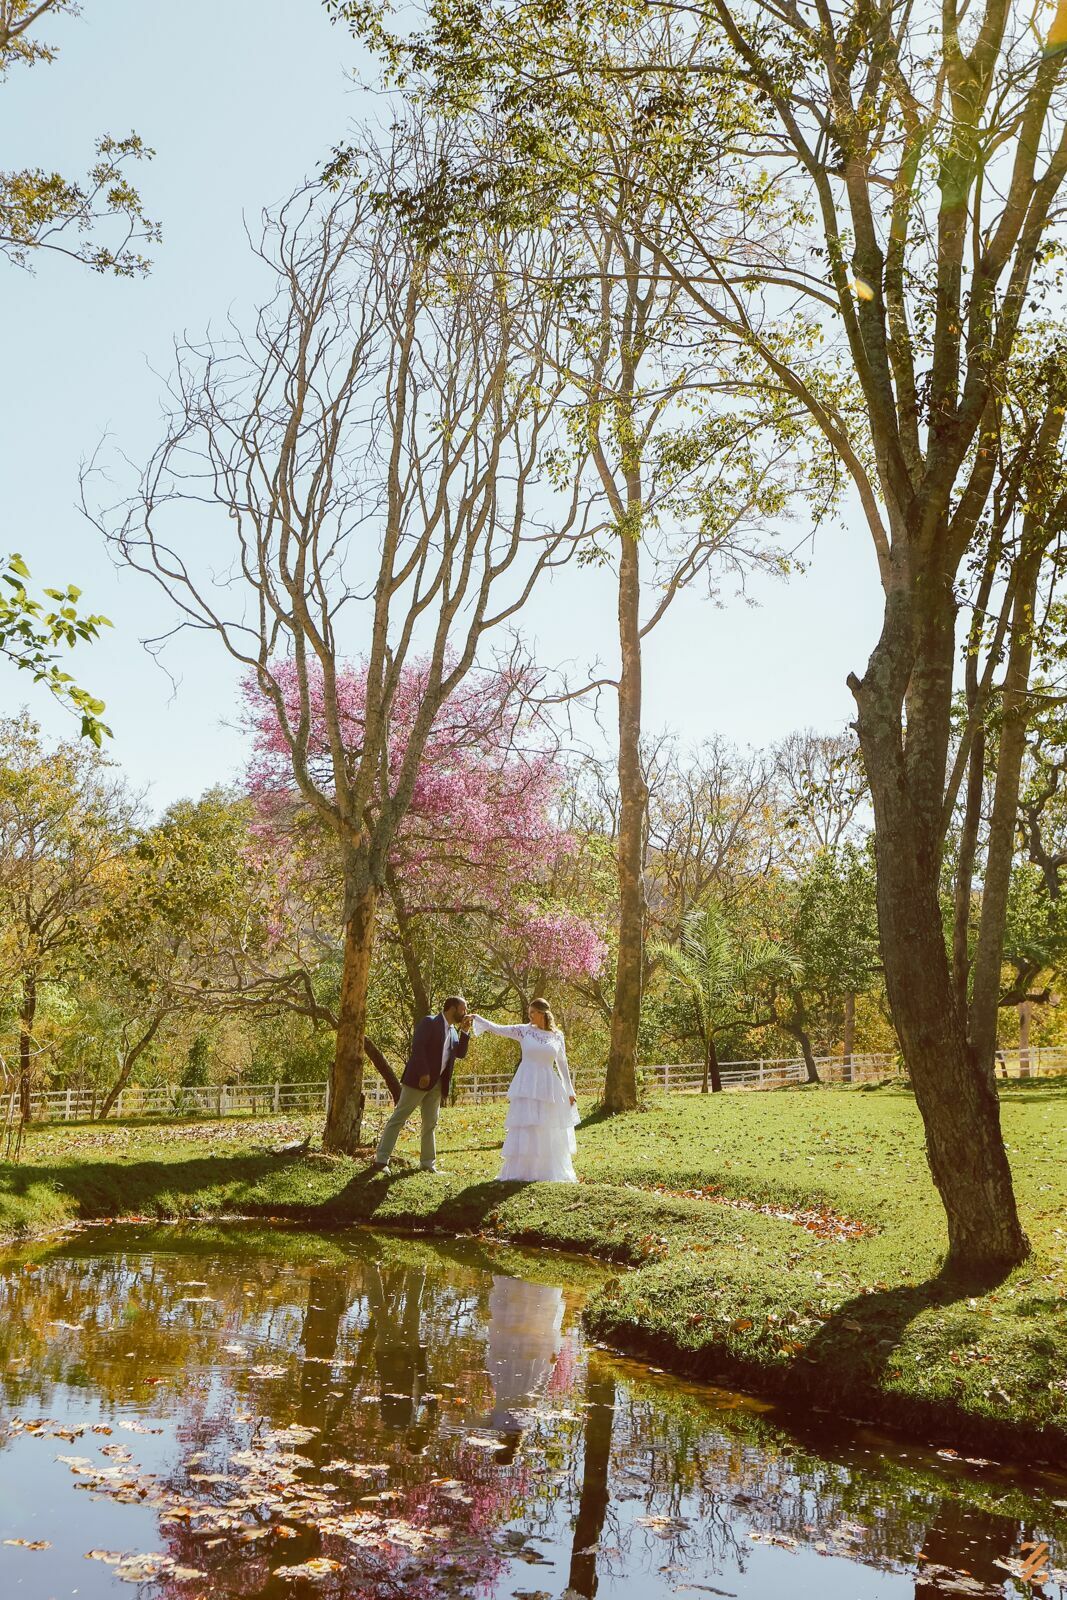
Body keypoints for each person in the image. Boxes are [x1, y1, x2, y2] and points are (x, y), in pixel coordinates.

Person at [471, 998, 579, 1182]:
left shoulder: (557, 1036)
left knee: (546, 1125)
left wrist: (570, 1091)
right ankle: (523, 1170)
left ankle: (546, 1170)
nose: (530, 1016)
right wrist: (478, 1018)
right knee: (527, 1125)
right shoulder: (524, 1031)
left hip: (548, 1086)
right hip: (527, 1084)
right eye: (529, 1013)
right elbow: (499, 1028)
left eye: (533, 1012)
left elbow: (562, 1064)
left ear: (542, 1013)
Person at [371, 996, 472, 1174]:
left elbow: (460, 1054)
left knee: (430, 1123)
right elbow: (418, 1047)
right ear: (452, 1008)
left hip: (437, 1085)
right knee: (399, 1118)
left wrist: (465, 1031)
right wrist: (424, 1073)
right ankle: (381, 1160)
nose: (465, 1013)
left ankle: (427, 1164)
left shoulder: (454, 1032)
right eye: (463, 1009)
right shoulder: (429, 1022)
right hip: (418, 1080)